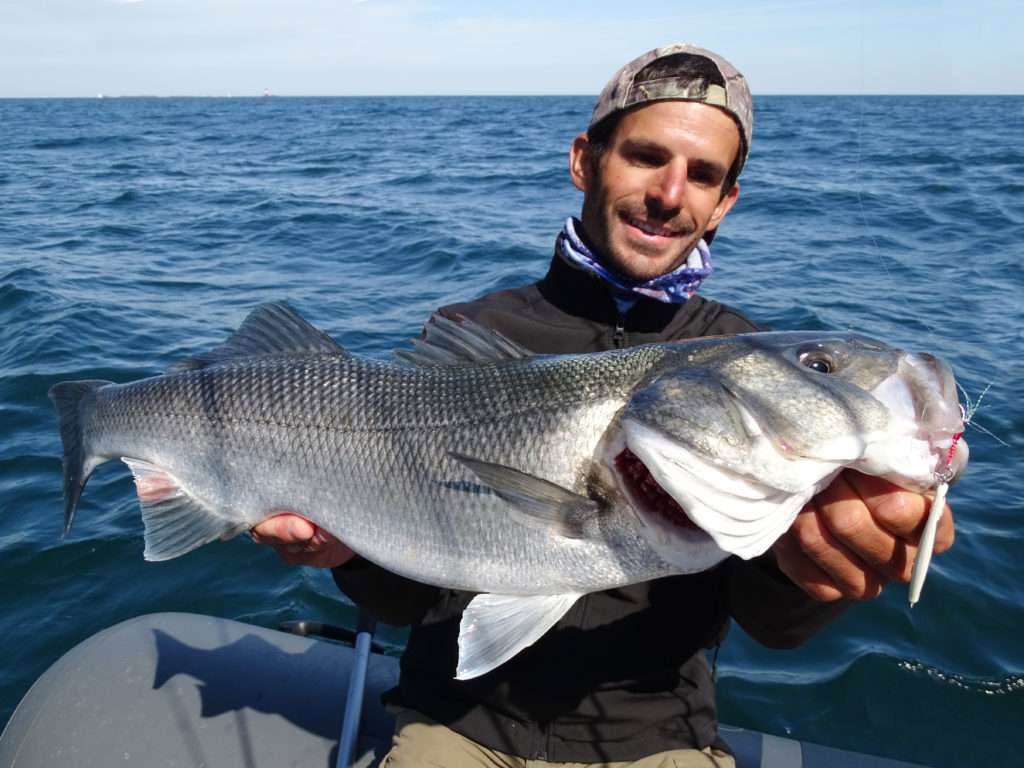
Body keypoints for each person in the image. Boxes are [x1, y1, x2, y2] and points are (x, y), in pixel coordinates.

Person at [251, 43, 955, 767]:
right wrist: (346, 553)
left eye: (704, 175)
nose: (671, 193)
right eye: (647, 156)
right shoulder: (472, 331)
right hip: (457, 721)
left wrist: (813, 569)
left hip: (659, 737)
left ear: (725, 202)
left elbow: (772, 625)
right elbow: (406, 598)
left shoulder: (741, 356)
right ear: (587, 160)